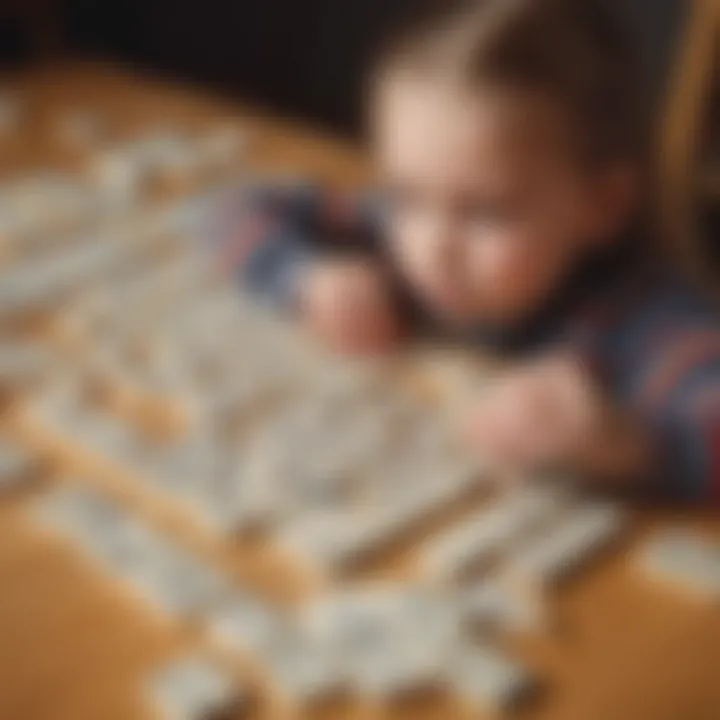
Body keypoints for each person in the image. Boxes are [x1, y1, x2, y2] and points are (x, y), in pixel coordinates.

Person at [207, 0, 720, 504]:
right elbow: (234, 210)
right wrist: (305, 278)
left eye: (486, 212)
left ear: (604, 205)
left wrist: (630, 442)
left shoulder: (645, 319)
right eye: (405, 191)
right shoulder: (396, 229)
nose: (433, 247)